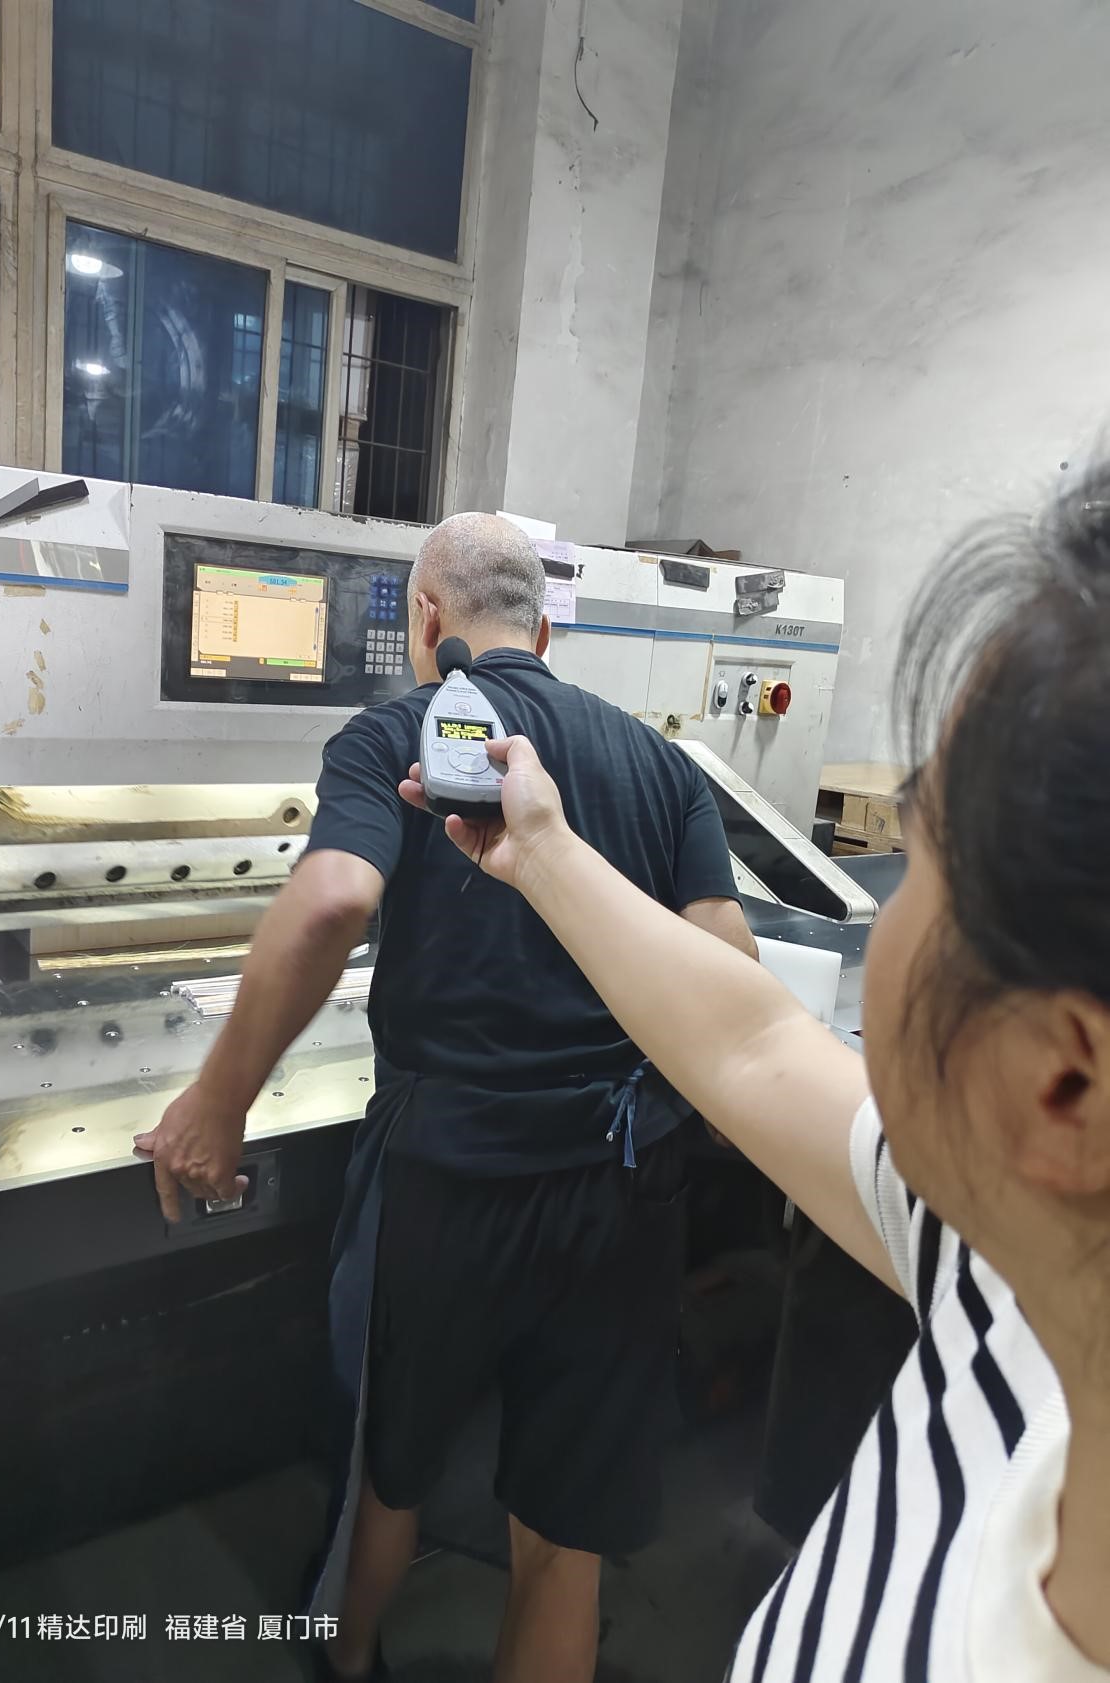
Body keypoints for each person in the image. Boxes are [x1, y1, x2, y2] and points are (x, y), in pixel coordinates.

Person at [401, 469, 1110, 1681]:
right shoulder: (1009, 1264)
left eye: (922, 844)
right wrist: (539, 851)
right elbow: (752, 1043)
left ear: (1059, 1082)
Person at [135, 512, 755, 1683]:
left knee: (390, 1473)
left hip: (448, 1184)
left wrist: (215, 1106)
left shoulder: (394, 735)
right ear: (546, 627)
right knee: (560, 1541)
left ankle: (348, 1657)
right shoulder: (657, 760)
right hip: (620, 1189)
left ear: (425, 617)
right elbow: (728, 973)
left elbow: (331, 901)